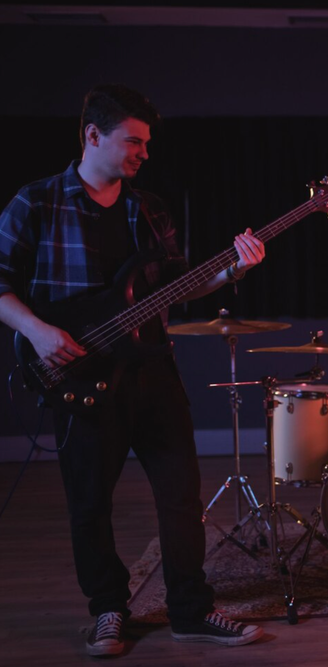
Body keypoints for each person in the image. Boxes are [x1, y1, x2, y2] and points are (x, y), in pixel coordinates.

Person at [0, 84, 266, 656]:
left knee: (181, 497)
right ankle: (108, 611)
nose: (145, 153)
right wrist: (37, 331)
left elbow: (180, 285)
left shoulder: (148, 208)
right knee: (89, 504)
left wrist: (232, 271)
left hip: (152, 372)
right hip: (77, 377)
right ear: (92, 135)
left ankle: (191, 611)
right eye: (134, 141)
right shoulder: (37, 202)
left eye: (147, 143)